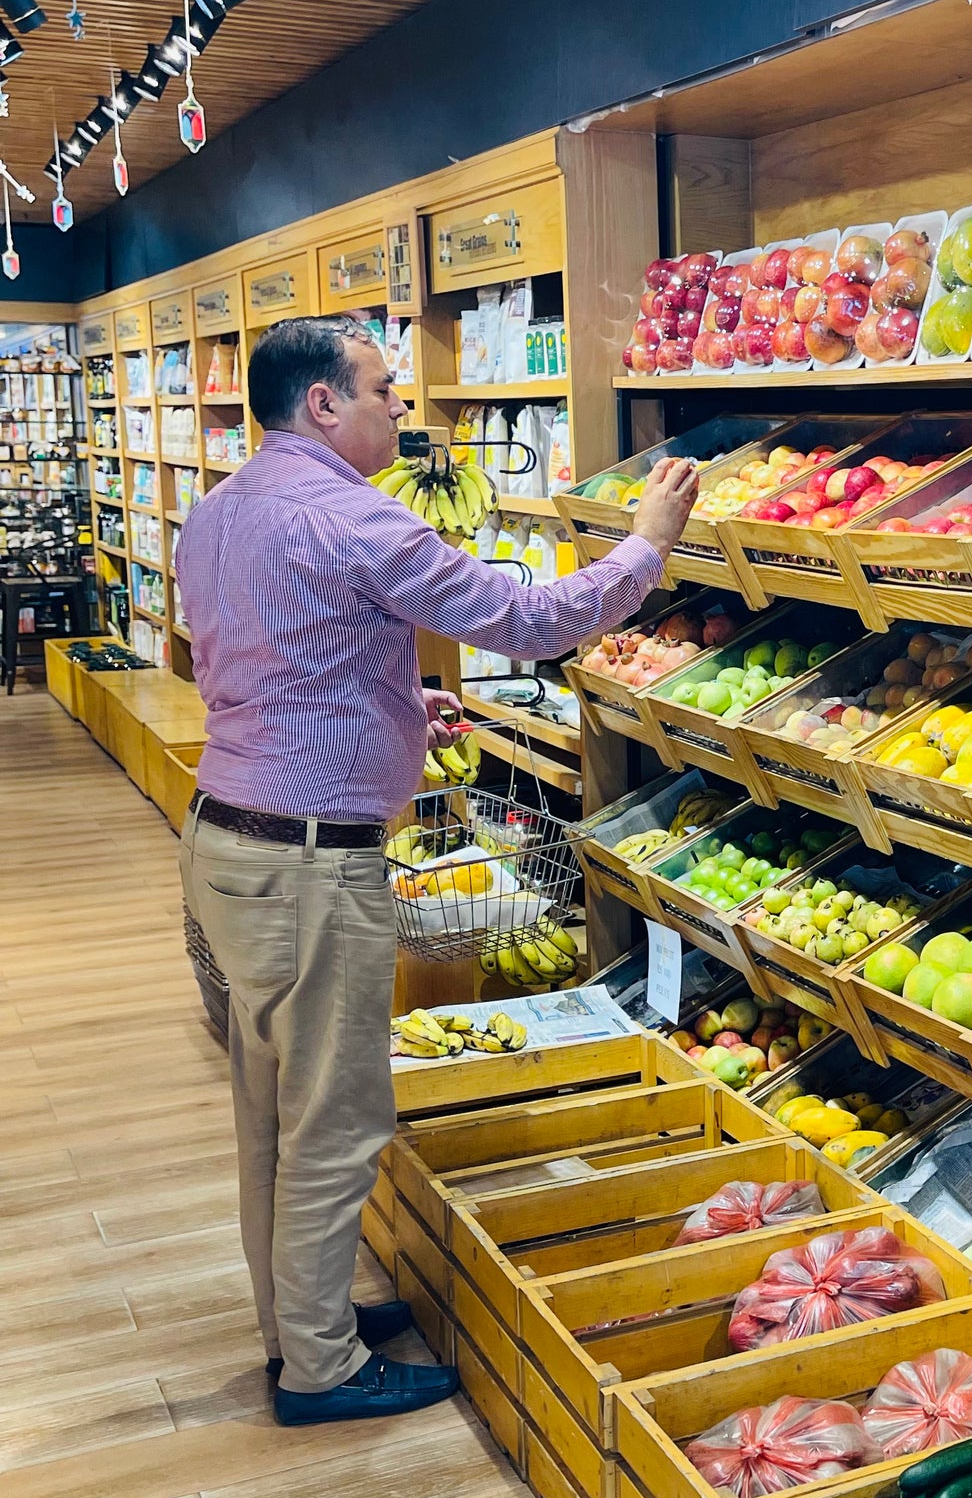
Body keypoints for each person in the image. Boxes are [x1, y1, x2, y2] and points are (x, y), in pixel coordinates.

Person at [175, 314, 698, 1426]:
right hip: (309, 866)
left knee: (269, 1110)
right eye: (382, 390)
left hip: (228, 841)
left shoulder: (221, 510)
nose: (399, 409)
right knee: (336, 1120)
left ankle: (298, 1322)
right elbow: (529, 618)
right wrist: (645, 542)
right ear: (323, 403)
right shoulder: (356, 516)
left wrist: (399, 709)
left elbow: (266, 665)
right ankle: (319, 1371)